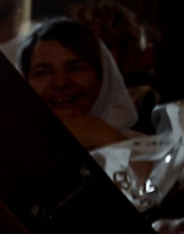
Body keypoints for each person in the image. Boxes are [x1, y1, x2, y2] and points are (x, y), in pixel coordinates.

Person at [20, 16, 138, 149]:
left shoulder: (145, 153)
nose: (60, 83)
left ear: (102, 78)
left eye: (75, 68)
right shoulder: (11, 149)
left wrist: (98, 133)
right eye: (43, 72)